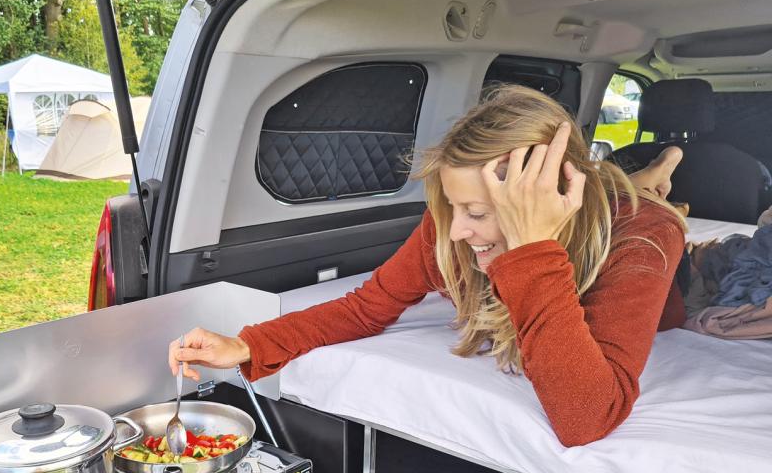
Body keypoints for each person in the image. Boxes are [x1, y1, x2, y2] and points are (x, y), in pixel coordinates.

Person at [168, 85, 687, 447]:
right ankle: (644, 173)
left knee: (648, 211)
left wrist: (531, 250)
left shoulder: (644, 240)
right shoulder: (449, 226)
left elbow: (587, 416)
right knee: (612, 189)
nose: (456, 231)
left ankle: (655, 180)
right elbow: (365, 308)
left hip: (655, 266)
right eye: (454, 208)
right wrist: (248, 344)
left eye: (478, 213)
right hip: (578, 207)